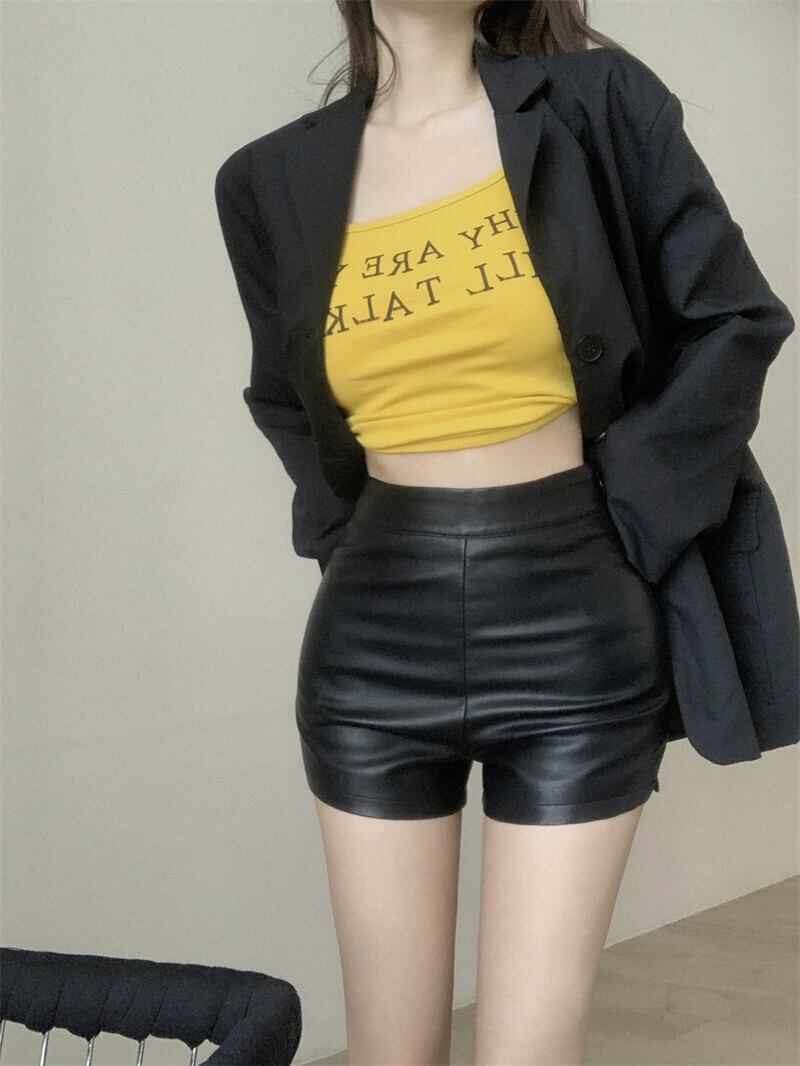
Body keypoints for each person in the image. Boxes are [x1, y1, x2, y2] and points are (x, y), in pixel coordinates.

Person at [214, 2, 796, 1063]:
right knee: (391, 1051)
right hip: (371, 637)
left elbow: (734, 319)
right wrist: (354, 544)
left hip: (577, 619)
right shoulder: (265, 180)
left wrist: (623, 518)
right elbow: (282, 397)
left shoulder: (598, 108)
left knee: (528, 1051)